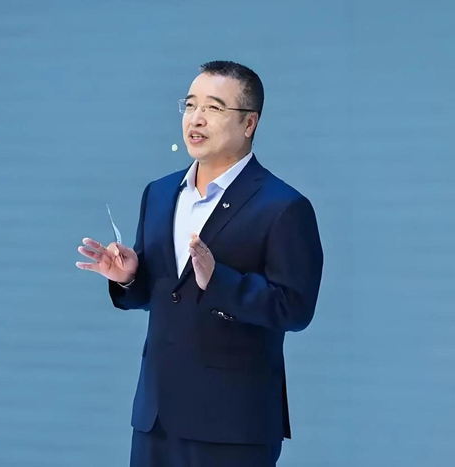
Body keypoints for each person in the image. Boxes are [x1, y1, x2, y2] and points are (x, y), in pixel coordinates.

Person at [76, 60, 324, 467]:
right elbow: (165, 294)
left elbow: (295, 309)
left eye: (213, 108)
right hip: (156, 420)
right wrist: (129, 278)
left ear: (249, 123)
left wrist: (218, 281)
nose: (196, 118)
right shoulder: (159, 193)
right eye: (190, 105)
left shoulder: (283, 206)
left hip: (233, 426)